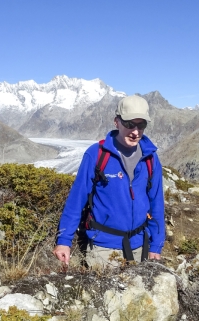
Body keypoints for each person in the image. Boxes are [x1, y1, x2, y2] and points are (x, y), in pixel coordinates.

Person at [53, 95, 165, 269]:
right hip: (103, 249)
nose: (135, 132)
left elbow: (156, 203)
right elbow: (77, 199)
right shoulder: (97, 155)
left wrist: (156, 245)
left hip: (140, 246)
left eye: (141, 125)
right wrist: (64, 241)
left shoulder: (150, 158)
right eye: (129, 124)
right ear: (117, 122)